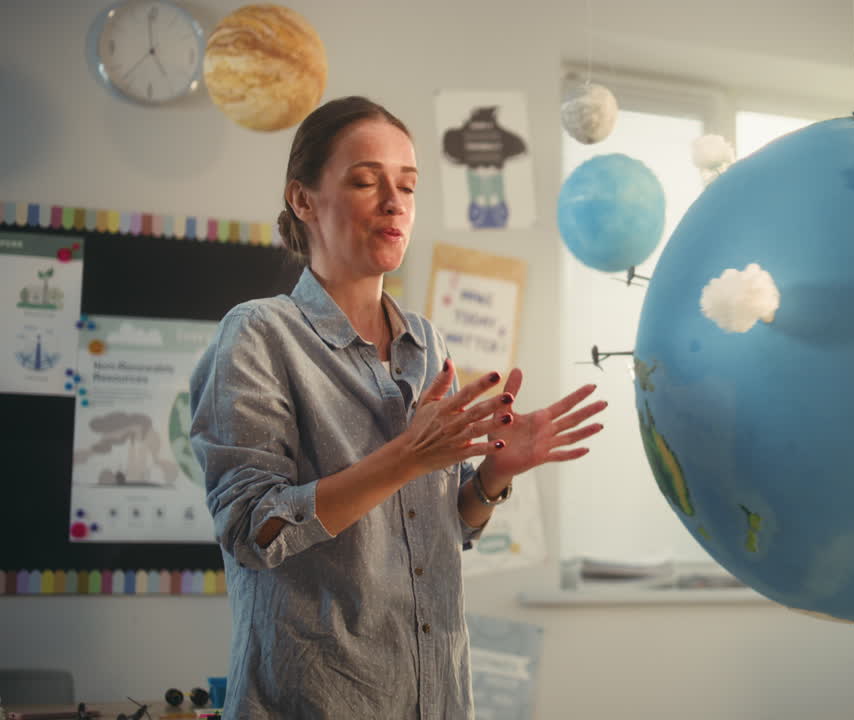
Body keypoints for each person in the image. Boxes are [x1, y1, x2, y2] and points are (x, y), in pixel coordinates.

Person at [188, 96, 605, 719]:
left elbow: (445, 529)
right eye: (366, 181)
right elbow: (253, 531)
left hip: (436, 696)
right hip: (318, 701)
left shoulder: (426, 343)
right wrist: (406, 457)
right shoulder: (258, 335)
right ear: (303, 200)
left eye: (407, 186)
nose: (395, 203)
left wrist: (494, 476)